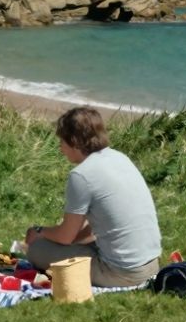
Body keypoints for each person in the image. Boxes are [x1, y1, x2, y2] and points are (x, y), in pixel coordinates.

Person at [24, 107, 162, 287]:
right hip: (152, 266)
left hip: (121, 273)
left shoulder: (81, 175)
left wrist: (40, 232)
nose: (60, 148)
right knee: (71, 241)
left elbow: (66, 236)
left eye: (62, 141)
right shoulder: (119, 158)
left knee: (36, 250)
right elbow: (93, 226)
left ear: (73, 141)